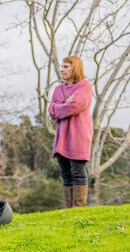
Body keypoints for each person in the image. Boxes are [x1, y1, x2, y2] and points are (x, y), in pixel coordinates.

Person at [49, 55, 94, 208]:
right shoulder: (58, 89)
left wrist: (60, 106)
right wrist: (64, 105)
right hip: (62, 138)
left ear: (75, 68)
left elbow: (76, 106)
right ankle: (69, 209)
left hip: (79, 136)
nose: (62, 69)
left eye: (66, 66)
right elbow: (51, 111)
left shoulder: (85, 86)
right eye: (62, 66)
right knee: (66, 175)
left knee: (78, 173)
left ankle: (79, 209)